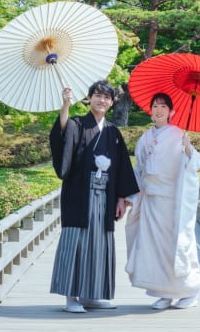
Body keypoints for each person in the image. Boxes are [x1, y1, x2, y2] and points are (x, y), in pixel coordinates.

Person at [49, 80, 139, 314]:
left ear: (111, 102)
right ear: (89, 99)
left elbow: (121, 167)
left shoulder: (113, 131)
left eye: (107, 97)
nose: (102, 100)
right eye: (97, 96)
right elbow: (63, 134)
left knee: (99, 243)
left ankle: (92, 295)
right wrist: (65, 106)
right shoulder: (77, 123)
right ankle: (71, 297)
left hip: (105, 195)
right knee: (76, 241)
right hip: (80, 193)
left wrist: (121, 198)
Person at [124, 92, 200, 310]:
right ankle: (164, 293)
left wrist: (188, 148)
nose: (158, 110)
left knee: (177, 244)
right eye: (155, 106)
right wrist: (130, 198)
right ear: (150, 111)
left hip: (171, 202)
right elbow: (138, 169)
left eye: (163, 106)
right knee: (153, 247)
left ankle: (190, 290)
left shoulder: (179, 135)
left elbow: (195, 163)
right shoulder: (145, 137)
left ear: (171, 112)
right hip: (150, 200)